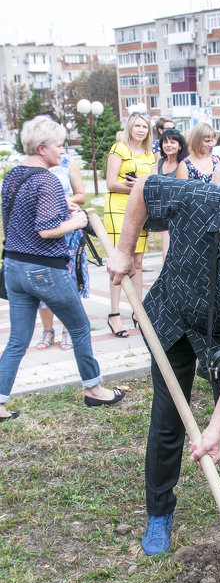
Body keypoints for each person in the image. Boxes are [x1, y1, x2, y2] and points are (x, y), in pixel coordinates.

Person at [107, 169, 220, 554]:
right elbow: (143, 187)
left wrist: (215, 429)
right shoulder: (196, 198)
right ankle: (159, 513)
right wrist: (125, 249)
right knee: (168, 417)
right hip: (172, 318)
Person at [0, 116, 125, 421]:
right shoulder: (48, 179)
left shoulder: (13, 176)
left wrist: (60, 207)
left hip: (13, 267)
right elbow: (45, 230)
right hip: (44, 270)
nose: (63, 150)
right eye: (59, 144)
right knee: (80, 327)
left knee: (18, 339)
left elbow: (18, 216)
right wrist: (77, 221)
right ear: (42, 148)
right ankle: (94, 389)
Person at [33, 112, 89, 352]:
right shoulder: (30, 163)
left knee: (69, 281)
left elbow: (81, 195)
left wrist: (59, 200)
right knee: (42, 281)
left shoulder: (67, 161)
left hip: (68, 232)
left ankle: (68, 328)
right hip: (41, 232)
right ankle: (48, 329)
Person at [104, 112, 154, 337]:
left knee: (138, 260)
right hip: (118, 208)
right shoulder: (119, 148)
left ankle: (138, 311)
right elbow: (111, 182)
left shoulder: (148, 154)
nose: (141, 130)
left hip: (139, 210)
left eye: (145, 126)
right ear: (129, 128)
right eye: (137, 126)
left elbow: (151, 183)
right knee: (118, 260)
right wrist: (135, 187)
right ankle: (114, 314)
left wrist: (141, 187)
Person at [153, 128, 188, 259]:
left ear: (180, 146)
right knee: (166, 254)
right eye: (165, 142)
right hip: (163, 213)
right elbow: (153, 182)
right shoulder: (160, 162)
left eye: (172, 142)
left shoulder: (184, 164)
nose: (168, 145)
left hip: (179, 213)